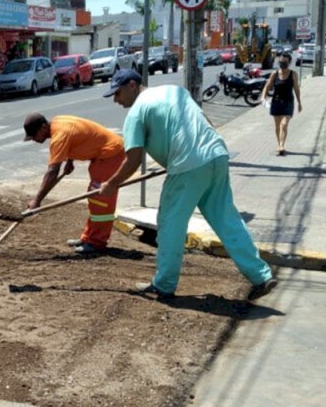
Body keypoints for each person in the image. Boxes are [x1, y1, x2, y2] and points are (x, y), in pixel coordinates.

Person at [101, 69, 277, 302]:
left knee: (170, 222)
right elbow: (204, 120)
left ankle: (163, 285)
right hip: (216, 154)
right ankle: (261, 275)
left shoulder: (136, 112)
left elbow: (133, 160)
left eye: (118, 92)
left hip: (188, 164)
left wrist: (112, 184)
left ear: (133, 85)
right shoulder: (174, 92)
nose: (116, 99)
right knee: (227, 219)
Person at [22, 113, 127, 254]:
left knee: (101, 201)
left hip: (111, 154)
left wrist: (37, 200)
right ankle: (88, 238)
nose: (34, 140)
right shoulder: (58, 123)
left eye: (34, 135)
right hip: (102, 156)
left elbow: (52, 172)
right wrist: (70, 161)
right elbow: (76, 137)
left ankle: (97, 242)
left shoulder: (59, 135)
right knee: (95, 199)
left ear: (43, 127)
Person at [259, 51, 302, 155]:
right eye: (281, 62)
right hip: (276, 102)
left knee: (284, 124)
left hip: (288, 102)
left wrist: (299, 102)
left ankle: (282, 145)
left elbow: (296, 89)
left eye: (285, 62)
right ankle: (279, 144)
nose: (282, 64)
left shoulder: (293, 74)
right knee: (277, 126)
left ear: (289, 62)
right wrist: (263, 97)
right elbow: (267, 86)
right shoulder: (275, 74)